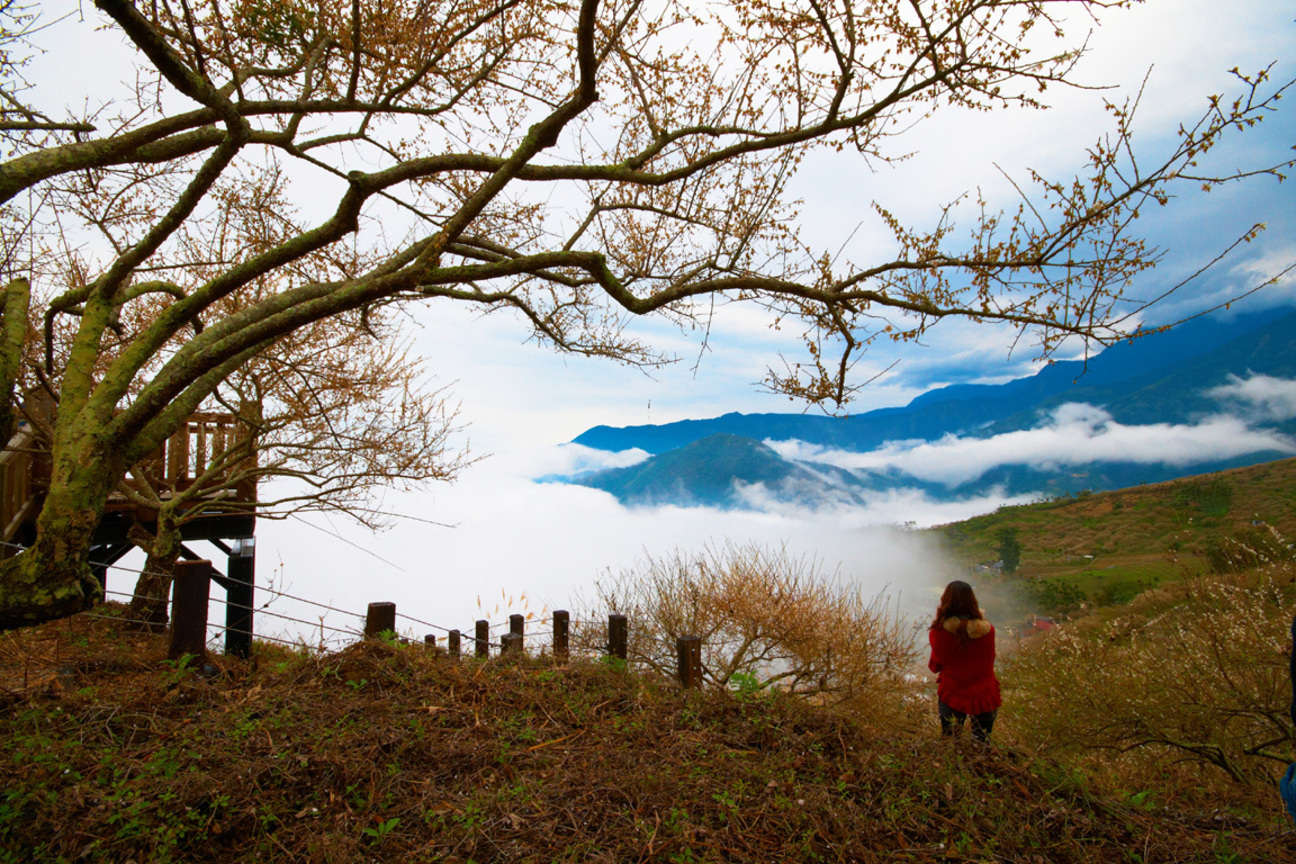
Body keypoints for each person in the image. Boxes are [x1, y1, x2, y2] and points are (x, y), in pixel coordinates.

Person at [928, 580, 1001, 741]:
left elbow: (935, 666)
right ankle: (980, 766)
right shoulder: (988, 631)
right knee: (981, 743)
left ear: (945, 601)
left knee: (950, 743)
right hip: (985, 693)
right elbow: (989, 660)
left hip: (953, 693)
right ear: (972, 601)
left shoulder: (939, 632)